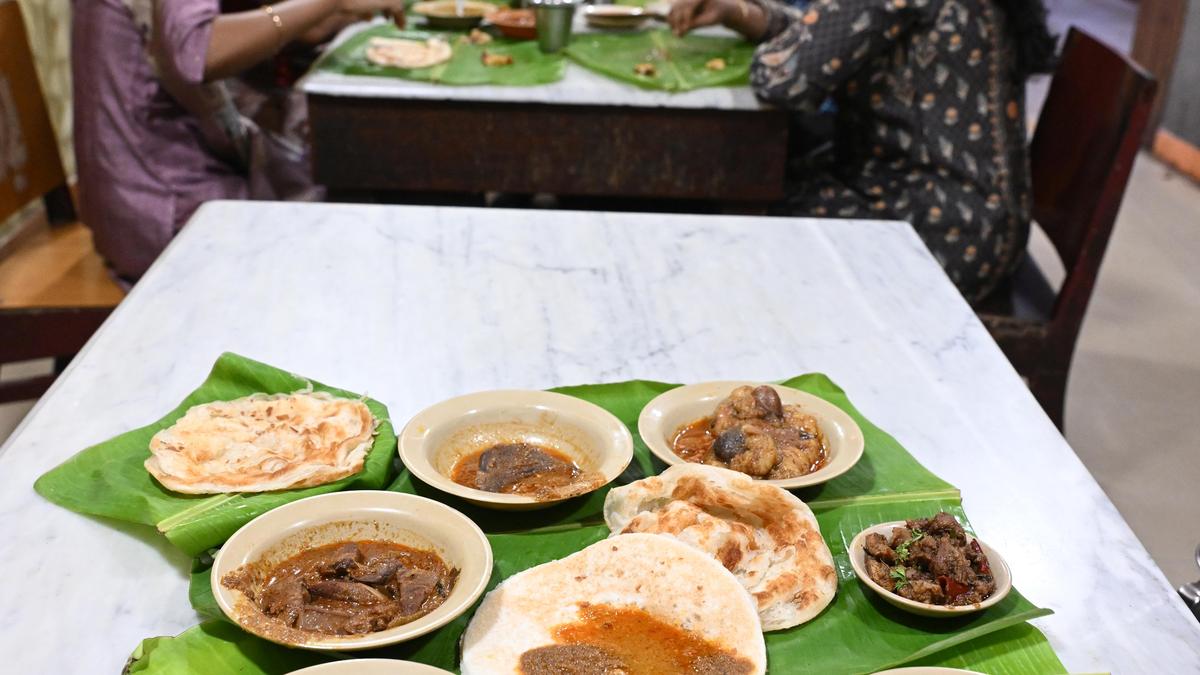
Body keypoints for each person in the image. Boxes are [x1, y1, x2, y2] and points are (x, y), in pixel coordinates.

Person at [669, 0, 1056, 303]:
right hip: (982, 222)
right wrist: (740, 12)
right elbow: (836, 34)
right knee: (767, 181)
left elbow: (783, 78)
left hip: (933, 234)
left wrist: (775, 41)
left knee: (729, 214)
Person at [72, 0, 405, 282]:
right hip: (167, 207)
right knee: (366, 225)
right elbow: (196, 52)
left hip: (122, 198)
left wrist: (323, 13)